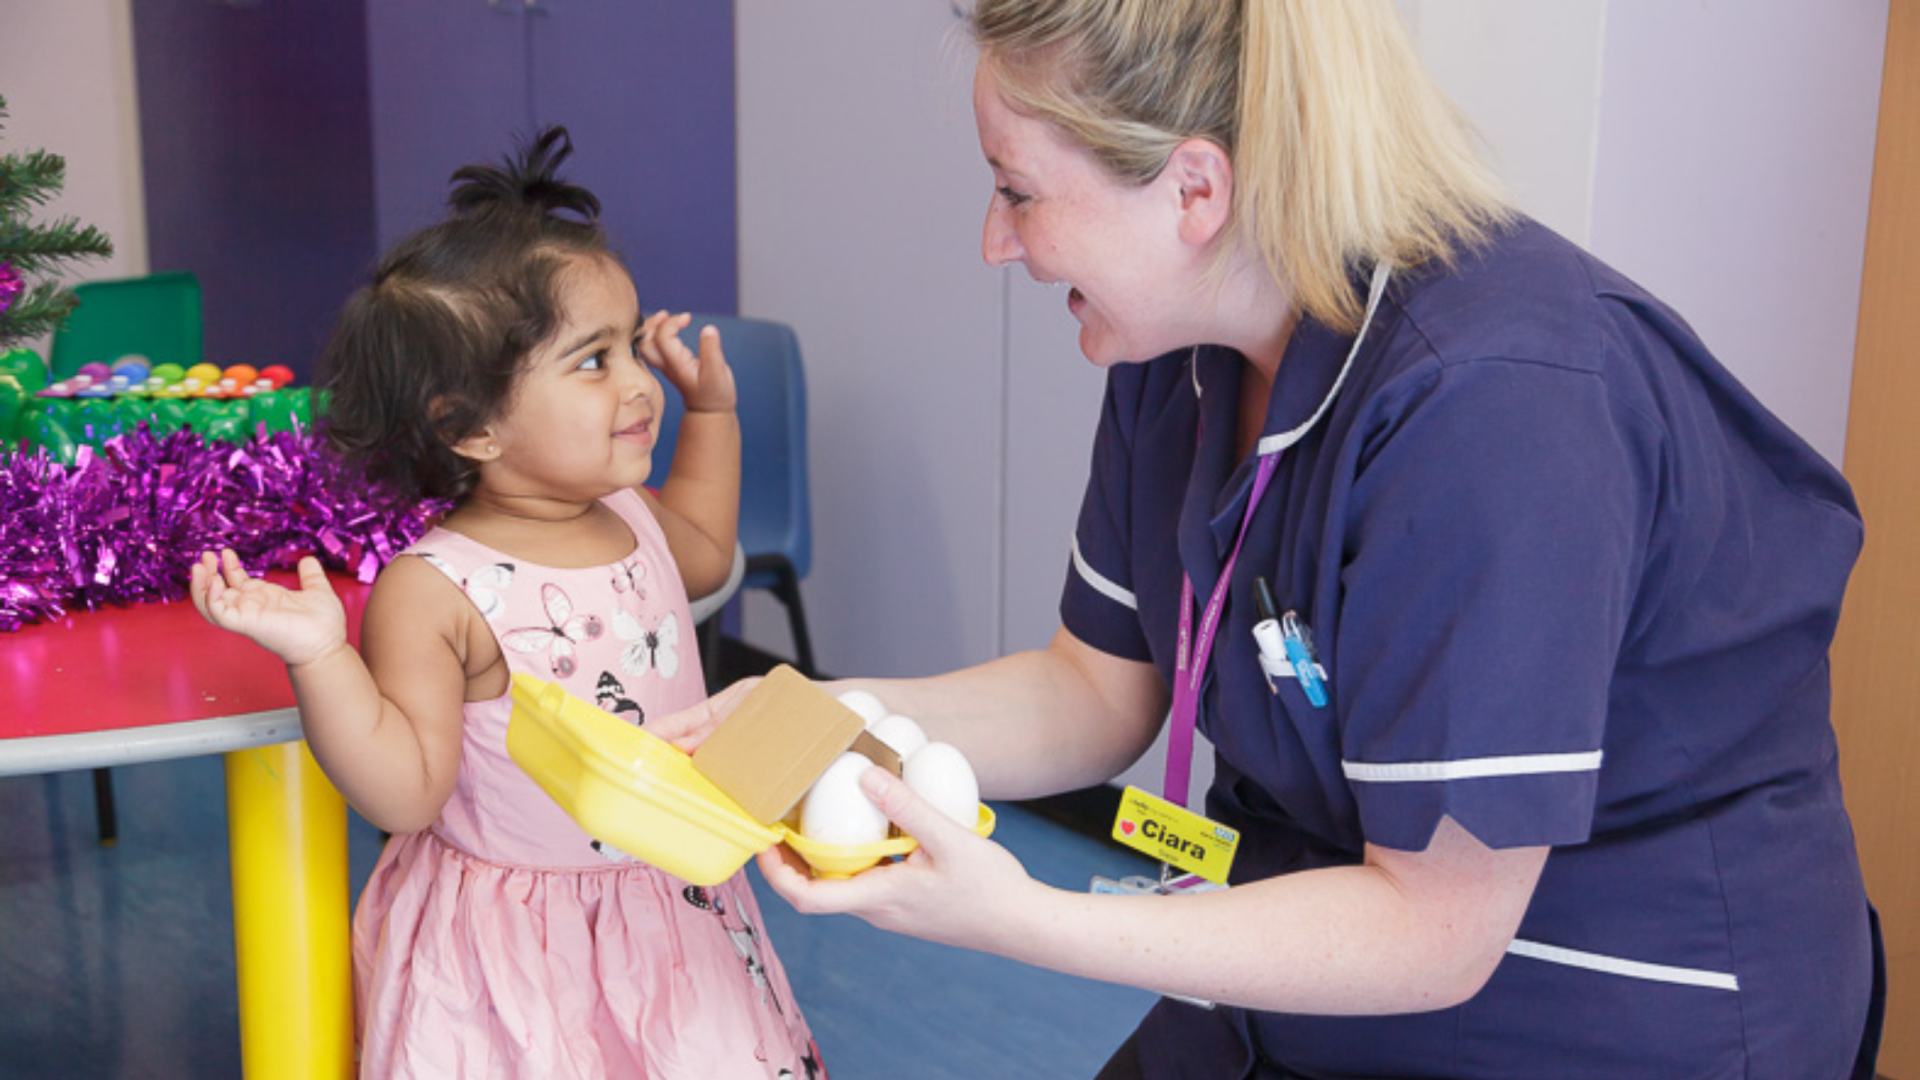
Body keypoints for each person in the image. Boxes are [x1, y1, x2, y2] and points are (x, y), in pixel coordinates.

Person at [746, 3, 1885, 1078]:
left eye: (1018, 192)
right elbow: (1091, 692)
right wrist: (808, 721)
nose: (996, 240)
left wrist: (1017, 918)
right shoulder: (1173, 354)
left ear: (1196, 188)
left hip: (1599, 1005)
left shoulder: (1492, 408)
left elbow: (1435, 932)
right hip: (1306, 938)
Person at [190, 127, 824, 1079]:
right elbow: (406, 791)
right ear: (469, 426)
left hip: (668, 906)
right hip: (521, 947)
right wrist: (323, 656)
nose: (636, 380)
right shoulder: (435, 590)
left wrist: (717, 417)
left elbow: (701, 556)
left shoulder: (627, 512)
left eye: (630, 344)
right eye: (591, 361)